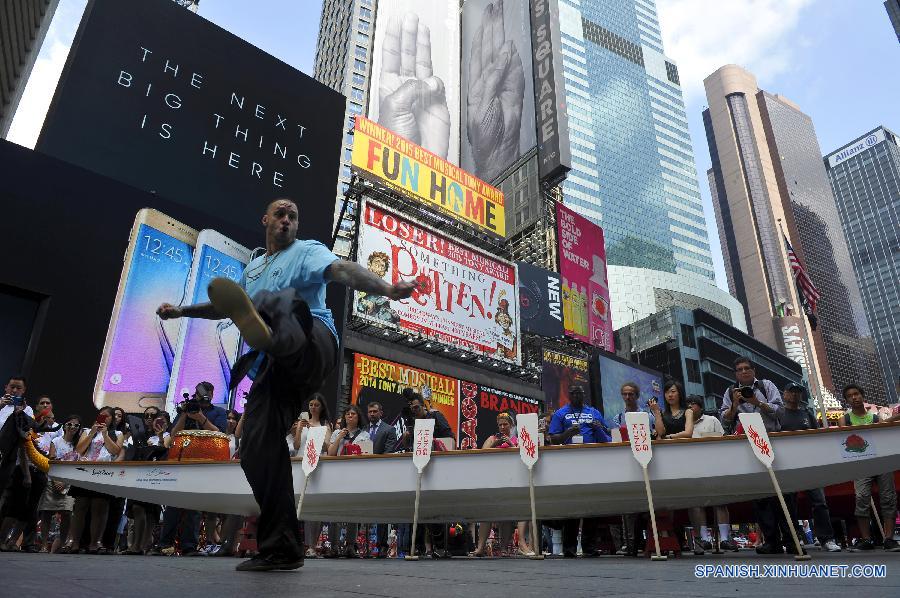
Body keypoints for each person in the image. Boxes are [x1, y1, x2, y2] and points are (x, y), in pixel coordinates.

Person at [157, 197, 415, 571]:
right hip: (277, 367)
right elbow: (224, 307)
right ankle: (282, 546)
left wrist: (388, 289)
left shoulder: (307, 251)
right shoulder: (255, 266)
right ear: (266, 219)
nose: (286, 221)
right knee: (256, 447)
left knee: (286, 302)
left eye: (293, 216)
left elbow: (342, 270)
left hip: (315, 342)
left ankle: (275, 332)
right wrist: (182, 311)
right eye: (280, 214)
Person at [777, 383, 841, 552]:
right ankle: (794, 539)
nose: (795, 395)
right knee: (789, 504)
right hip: (787, 466)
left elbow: (817, 437)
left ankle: (826, 539)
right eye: (791, 392)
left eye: (798, 392)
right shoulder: (779, 414)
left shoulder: (808, 414)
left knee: (819, 502)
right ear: (784, 394)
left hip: (810, 464)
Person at [548, 385, 610, 557]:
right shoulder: (560, 413)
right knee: (572, 504)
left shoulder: (594, 412)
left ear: (584, 395)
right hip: (569, 463)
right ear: (569, 395)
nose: (576, 396)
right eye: (573, 393)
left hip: (592, 461)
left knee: (591, 502)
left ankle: (589, 546)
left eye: (579, 393)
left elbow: (606, 436)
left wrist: (598, 428)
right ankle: (569, 548)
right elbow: (552, 439)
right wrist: (568, 432)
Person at [840, 384, 899, 552]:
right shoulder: (845, 419)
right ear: (847, 400)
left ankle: (889, 538)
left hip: (881, 461)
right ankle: (866, 539)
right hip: (860, 463)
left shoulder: (875, 418)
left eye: (857, 394)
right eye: (850, 395)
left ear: (862, 396)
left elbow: (883, 436)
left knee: (888, 498)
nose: (854, 397)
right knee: (861, 498)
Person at [60, 406, 124, 554]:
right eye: (101, 415)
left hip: (104, 473)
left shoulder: (117, 433)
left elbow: (116, 451)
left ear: (112, 419)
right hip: (85, 472)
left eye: (107, 416)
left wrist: (105, 435)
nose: (103, 418)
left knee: (99, 507)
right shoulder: (87, 431)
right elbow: (79, 450)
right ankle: (74, 542)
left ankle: (95, 543)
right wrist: (93, 433)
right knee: (80, 506)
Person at [470, 413, 533, 558]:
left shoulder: (518, 440)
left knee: (508, 515)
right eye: (500, 425)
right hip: (493, 479)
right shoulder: (492, 438)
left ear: (511, 426)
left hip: (512, 479)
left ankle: (504, 548)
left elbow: (524, 457)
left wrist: (511, 445)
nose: (503, 427)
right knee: (487, 513)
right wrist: (495, 445)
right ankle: (480, 548)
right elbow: (482, 454)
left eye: (505, 424)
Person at [684, 396, 736, 554]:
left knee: (720, 501)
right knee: (696, 503)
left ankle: (726, 538)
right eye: (687, 405)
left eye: (693, 404)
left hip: (714, 465)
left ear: (700, 406)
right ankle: (703, 539)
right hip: (692, 467)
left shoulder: (712, 420)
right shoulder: (685, 424)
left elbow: (721, 439)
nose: (690, 407)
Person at [37, 415, 81, 553]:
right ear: (64, 425)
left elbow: (77, 467)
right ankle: (44, 545)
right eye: (69, 424)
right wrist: (56, 480)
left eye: (76, 425)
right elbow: (51, 461)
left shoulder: (79, 445)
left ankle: (61, 545)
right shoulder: (56, 441)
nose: (72, 427)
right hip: (53, 481)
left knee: (67, 514)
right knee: (46, 513)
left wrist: (66, 482)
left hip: (69, 484)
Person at [719, 357, 783, 433]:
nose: (744, 371)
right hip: (741, 439)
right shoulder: (731, 391)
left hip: (770, 436)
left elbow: (780, 411)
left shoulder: (766, 385)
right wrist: (734, 405)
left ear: (754, 370)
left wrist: (758, 403)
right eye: (739, 369)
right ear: (736, 374)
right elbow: (724, 422)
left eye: (747, 368)